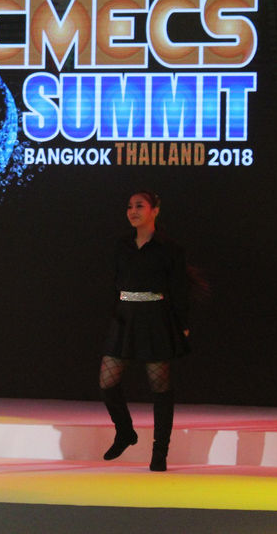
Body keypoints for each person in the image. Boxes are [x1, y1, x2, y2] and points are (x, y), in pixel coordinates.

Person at [99, 190, 190, 472]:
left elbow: (180, 288)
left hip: (155, 318)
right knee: (107, 381)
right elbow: (113, 281)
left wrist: (183, 324)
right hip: (125, 317)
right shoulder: (121, 244)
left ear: (155, 210)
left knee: (160, 386)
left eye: (139, 205)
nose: (133, 211)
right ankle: (125, 431)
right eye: (129, 206)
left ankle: (159, 452)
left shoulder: (169, 248)